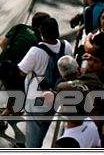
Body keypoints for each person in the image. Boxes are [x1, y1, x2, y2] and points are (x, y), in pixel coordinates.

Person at [17, 17, 72, 148]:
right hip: (56, 96)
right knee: (44, 126)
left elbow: (21, 72)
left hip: (38, 99)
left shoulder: (36, 51)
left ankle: (31, 147)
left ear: (42, 33)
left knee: (34, 129)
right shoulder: (66, 46)